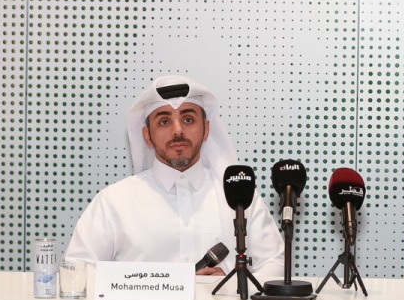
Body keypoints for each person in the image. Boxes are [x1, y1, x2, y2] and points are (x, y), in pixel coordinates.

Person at [66, 75, 284, 280]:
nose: (178, 130)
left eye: (188, 119)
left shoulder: (239, 198)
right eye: (164, 122)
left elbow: (274, 264)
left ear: (206, 130)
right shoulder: (114, 201)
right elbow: (78, 273)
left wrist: (230, 286)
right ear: (147, 136)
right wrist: (168, 284)